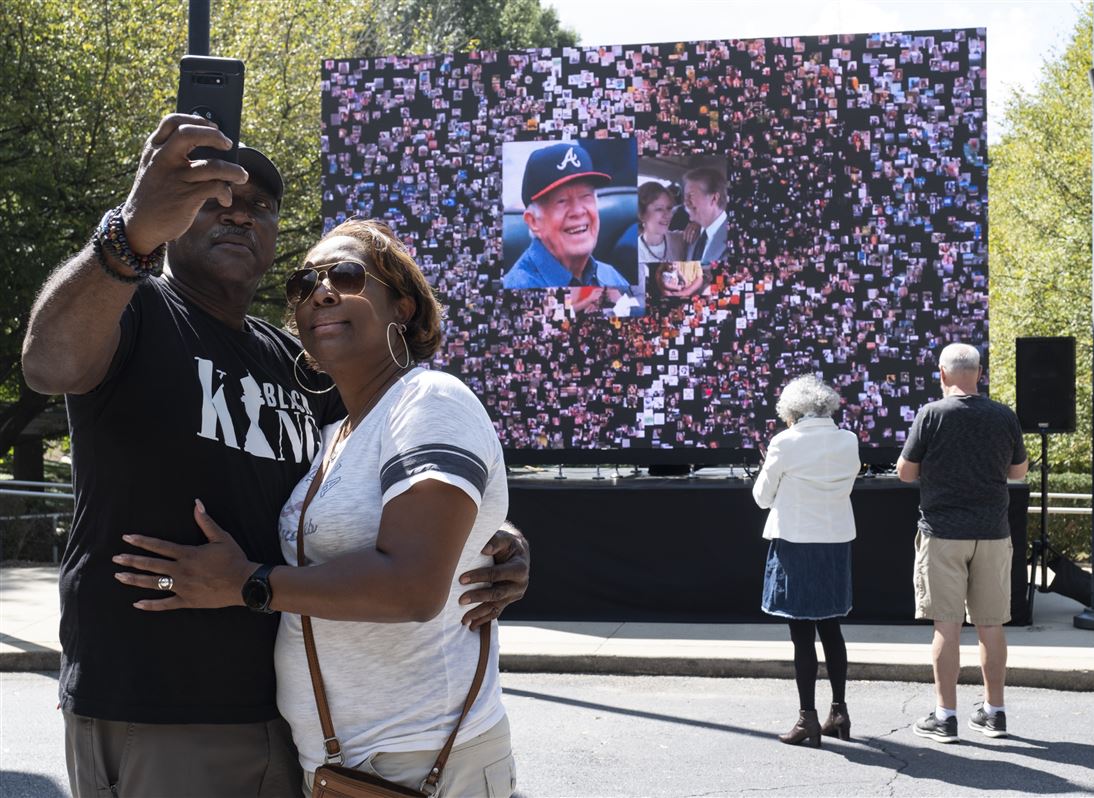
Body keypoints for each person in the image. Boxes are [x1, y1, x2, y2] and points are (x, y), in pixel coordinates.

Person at [21, 115, 530, 798]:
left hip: (274, 722)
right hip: (146, 701)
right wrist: (131, 229)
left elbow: (385, 494)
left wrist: (488, 538)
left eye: (259, 207)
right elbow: (47, 362)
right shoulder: (131, 311)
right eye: (213, 200)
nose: (239, 215)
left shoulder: (302, 373)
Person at [114, 219, 516, 796]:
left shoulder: (430, 399)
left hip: (423, 761)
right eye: (304, 284)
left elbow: (411, 587)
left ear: (402, 306)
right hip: (340, 768)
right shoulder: (336, 435)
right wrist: (500, 534)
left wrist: (248, 584)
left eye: (348, 275)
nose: (321, 292)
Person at [897, 343, 1028, 744]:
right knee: (991, 626)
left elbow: (905, 473)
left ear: (941, 373)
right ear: (979, 372)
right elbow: (1019, 473)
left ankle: (945, 716)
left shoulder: (931, 415)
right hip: (992, 531)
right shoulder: (1004, 415)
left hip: (943, 534)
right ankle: (995, 712)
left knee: (946, 627)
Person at [752, 375, 861, 747]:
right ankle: (840, 712)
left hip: (798, 542)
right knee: (832, 629)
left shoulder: (784, 442)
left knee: (801, 635)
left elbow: (762, 498)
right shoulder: (849, 440)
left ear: (792, 412)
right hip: (835, 542)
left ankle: (807, 719)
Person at [502, 142, 630, 289]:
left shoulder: (610, 276)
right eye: (561, 201)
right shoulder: (517, 287)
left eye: (586, 196)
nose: (578, 211)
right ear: (533, 222)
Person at [681, 166, 729, 265]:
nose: (685, 202)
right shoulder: (693, 234)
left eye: (691, 195)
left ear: (714, 198)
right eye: (685, 196)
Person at [636, 181, 685, 264]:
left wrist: (697, 225)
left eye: (669, 208)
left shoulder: (681, 239)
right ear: (642, 214)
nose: (667, 215)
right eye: (659, 209)